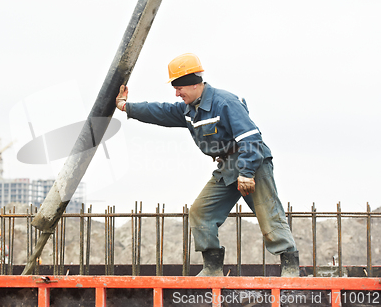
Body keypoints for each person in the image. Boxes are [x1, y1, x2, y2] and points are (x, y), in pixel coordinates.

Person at [115, 53, 299, 277]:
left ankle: (290, 266)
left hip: (251, 162)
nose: (176, 93)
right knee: (201, 212)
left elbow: (251, 138)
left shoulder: (225, 102)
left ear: (194, 83)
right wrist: (126, 107)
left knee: (268, 212)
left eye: (179, 87)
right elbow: (159, 111)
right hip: (226, 167)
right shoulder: (188, 110)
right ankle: (212, 267)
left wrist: (247, 173)